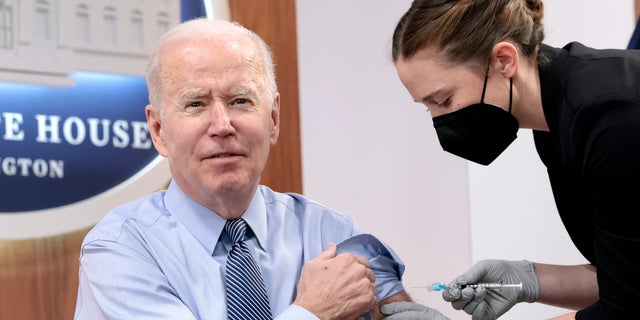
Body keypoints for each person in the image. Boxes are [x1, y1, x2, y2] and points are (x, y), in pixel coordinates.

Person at [73, 18, 448, 320]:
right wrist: (311, 314)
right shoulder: (121, 249)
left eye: (240, 100)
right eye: (196, 104)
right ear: (158, 130)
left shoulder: (330, 233)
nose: (222, 125)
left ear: (272, 118)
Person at [388, 0, 640, 319]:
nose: (439, 120)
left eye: (443, 100)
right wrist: (527, 280)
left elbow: (625, 312)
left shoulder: (611, 120)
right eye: (428, 107)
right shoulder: (556, 122)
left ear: (504, 60)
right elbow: (628, 281)